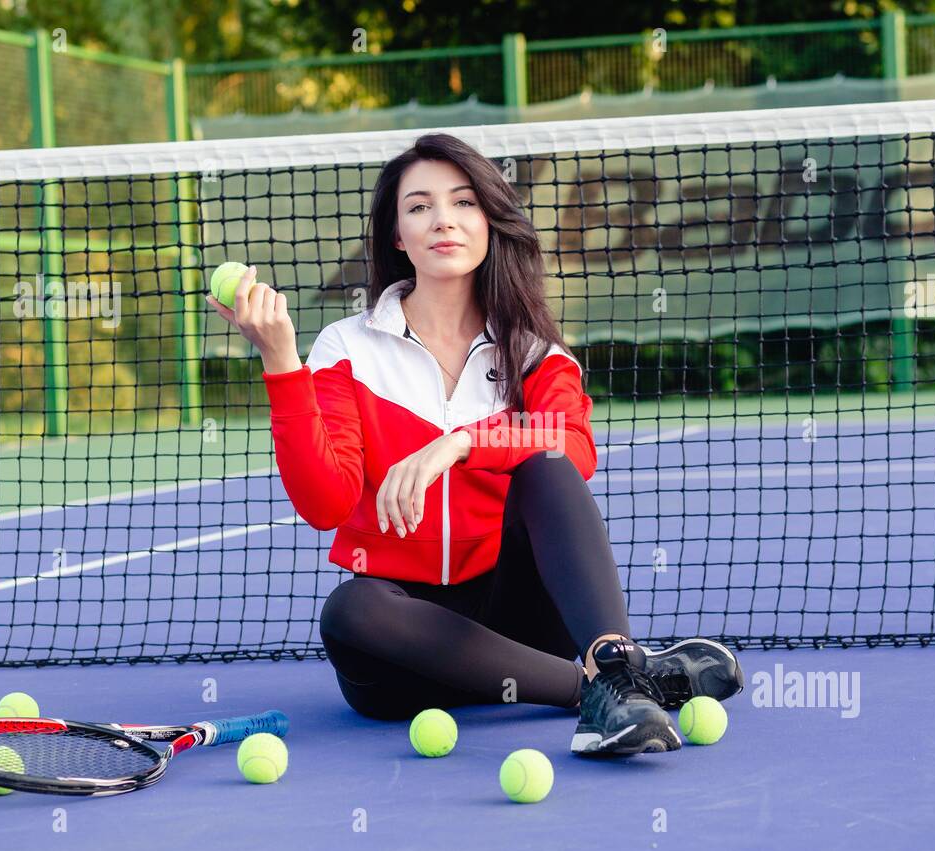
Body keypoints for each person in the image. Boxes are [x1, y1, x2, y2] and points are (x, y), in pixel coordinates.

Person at [208, 133, 743, 756]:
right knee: (349, 610)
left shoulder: (534, 350)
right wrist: (280, 360)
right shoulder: (345, 347)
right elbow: (325, 505)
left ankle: (612, 666)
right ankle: (605, 685)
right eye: (419, 207)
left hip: (517, 622)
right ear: (396, 236)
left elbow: (573, 445)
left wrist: (460, 443)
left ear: (489, 221)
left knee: (545, 462)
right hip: (402, 651)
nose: (443, 220)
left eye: (463, 202)